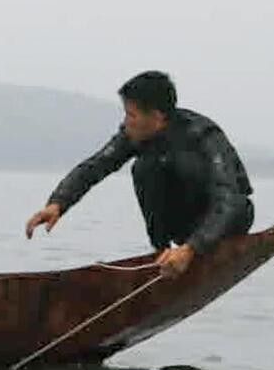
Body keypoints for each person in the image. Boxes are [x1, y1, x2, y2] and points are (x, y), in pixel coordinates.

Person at [25, 71, 254, 278]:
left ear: (155, 117)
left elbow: (229, 200)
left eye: (131, 115)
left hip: (228, 219)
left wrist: (192, 248)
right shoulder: (135, 134)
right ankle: (161, 254)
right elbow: (95, 166)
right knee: (145, 168)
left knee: (194, 174)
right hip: (185, 225)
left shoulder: (203, 135)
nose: (125, 122)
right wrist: (58, 203)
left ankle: (182, 253)